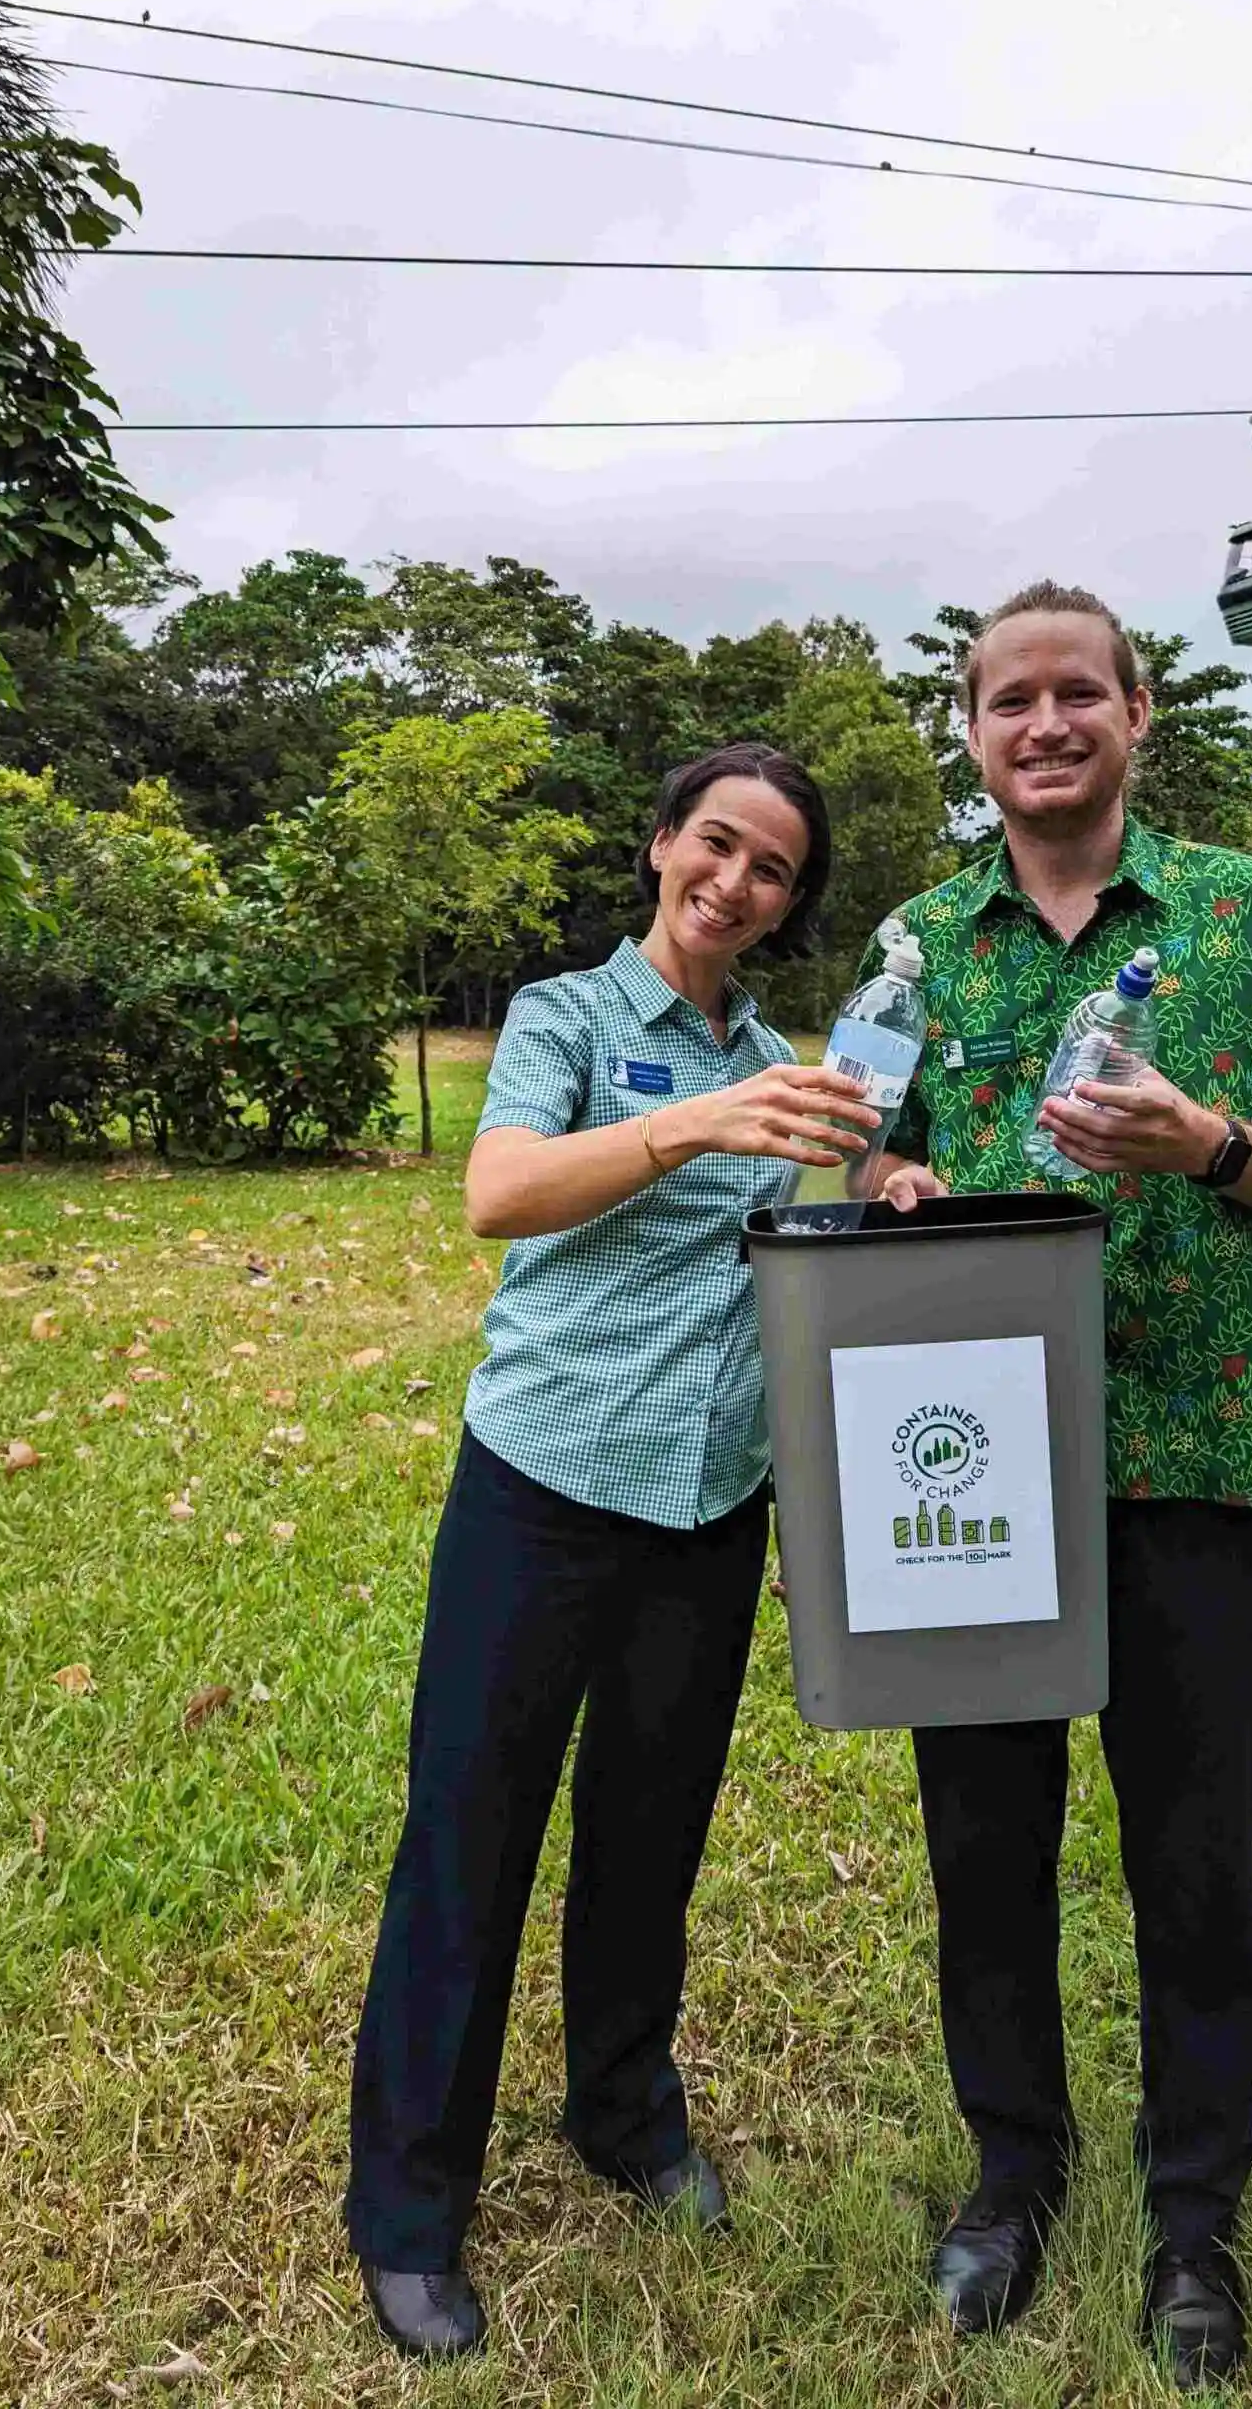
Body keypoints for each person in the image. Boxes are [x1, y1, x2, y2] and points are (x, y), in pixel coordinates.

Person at [865, 582, 1252, 2391]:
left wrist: (1214, 1142)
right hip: (974, 1464)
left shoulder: (1245, 912)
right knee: (985, 1851)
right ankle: (1013, 2181)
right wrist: (896, 1192)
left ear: (1137, 710)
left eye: (1075, 691)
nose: (1044, 724)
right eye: (1007, 699)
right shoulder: (923, 941)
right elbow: (875, 1156)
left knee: (1191, 1862)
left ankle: (1195, 2224)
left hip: (1190, 1446)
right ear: (973, 731)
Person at [344, 740, 880, 2361]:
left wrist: (872, 1190)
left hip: (707, 1513)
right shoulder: (566, 1020)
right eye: (716, 845)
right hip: (547, 1488)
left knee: (652, 1831)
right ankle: (410, 2204)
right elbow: (499, 1193)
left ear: (789, 905)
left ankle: (624, 2111)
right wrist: (699, 1125)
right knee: (474, 1831)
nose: (734, 882)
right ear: (661, 847)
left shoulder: (785, 1058)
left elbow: (786, 1270)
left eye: (772, 868)